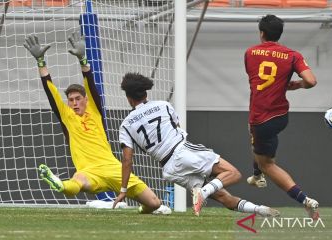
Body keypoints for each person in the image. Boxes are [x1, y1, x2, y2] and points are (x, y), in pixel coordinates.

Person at [23, 33, 171, 214]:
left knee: (154, 203)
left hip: (113, 168)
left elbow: (90, 83)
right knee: (77, 183)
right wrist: (41, 61)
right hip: (89, 171)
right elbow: (50, 90)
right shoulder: (66, 116)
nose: (74, 103)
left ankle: (143, 209)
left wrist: (82, 59)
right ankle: (58, 183)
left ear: (86, 100)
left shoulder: (94, 110)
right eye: (71, 100)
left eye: (78, 99)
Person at [112, 72, 280, 218]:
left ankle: (260, 210)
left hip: (169, 169)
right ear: (145, 92)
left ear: (128, 97)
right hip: (182, 151)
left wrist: (123, 190)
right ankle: (202, 193)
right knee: (233, 173)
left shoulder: (126, 124)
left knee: (222, 196)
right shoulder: (163, 106)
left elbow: (127, 160)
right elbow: (176, 127)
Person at [244, 14, 319, 219]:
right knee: (260, 142)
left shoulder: (250, 53)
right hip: (280, 116)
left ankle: (305, 200)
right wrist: (298, 85)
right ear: (279, 34)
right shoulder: (293, 55)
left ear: (261, 33)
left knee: (267, 162)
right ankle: (257, 174)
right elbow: (311, 81)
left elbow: (257, 79)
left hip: (261, 117)